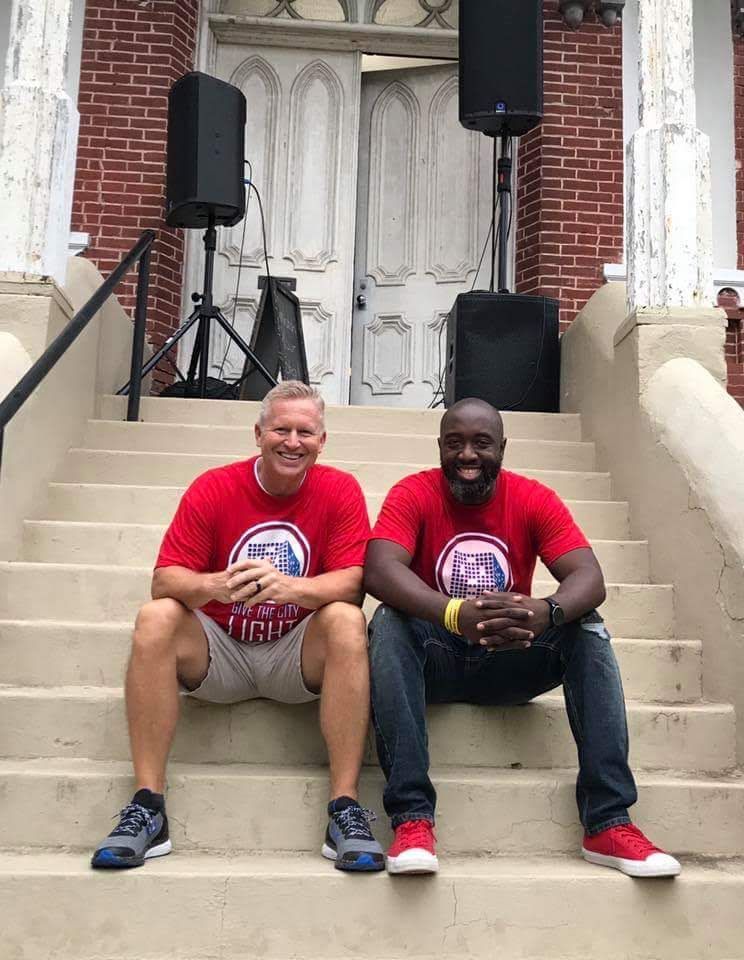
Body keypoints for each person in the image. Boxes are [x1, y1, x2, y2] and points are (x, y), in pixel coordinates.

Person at [364, 397, 681, 879]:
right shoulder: (414, 493)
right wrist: (452, 613)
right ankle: (411, 820)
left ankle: (607, 822)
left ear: (503, 449)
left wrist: (545, 613)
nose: (467, 454)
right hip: (438, 660)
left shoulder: (533, 498)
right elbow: (380, 571)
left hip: (512, 658)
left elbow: (589, 578)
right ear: (440, 448)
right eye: (455, 443)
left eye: (481, 443)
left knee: (587, 626)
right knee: (388, 622)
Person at [91, 381, 383, 872]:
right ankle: (148, 805)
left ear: (322, 440)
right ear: (258, 433)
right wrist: (214, 586)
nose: (292, 441)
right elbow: (164, 579)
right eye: (281, 429)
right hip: (219, 651)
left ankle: (345, 807)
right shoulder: (215, 486)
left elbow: (354, 582)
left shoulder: (340, 489)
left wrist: (291, 588)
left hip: (295, 653)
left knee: (347, 620)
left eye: (305, 432)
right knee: (156, 617)